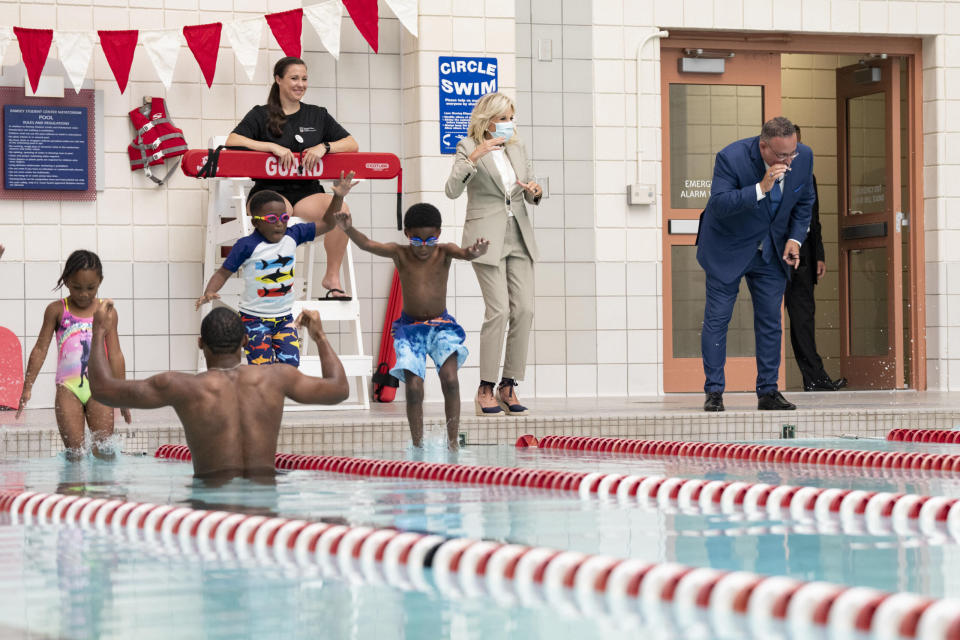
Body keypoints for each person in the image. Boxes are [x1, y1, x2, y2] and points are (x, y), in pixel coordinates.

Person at [89, 304, 349, 478]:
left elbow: (101, 389)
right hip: (265, 508)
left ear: (201, 344)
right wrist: (320, 337)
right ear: (245, 342)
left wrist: (100, 329)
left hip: (212, 511)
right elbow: (339, 389)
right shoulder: (278, 377)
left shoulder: (181, 387)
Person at [334, 203, 489, 450]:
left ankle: (452, 444)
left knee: (450, 380)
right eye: (417, 241)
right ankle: (418, 446)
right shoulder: (400, 253)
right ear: (407, 234)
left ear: (438, 234)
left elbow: (466, 253)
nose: (424, 247)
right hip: (410, 330)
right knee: (414, 388)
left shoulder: (444, 251)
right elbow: (367, 244)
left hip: (441, 327)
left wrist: (476, 252)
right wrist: (349, 229)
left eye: (430, 240)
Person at [696, 116, 814, 412]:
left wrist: (795, 240)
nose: (788, 161)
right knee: (718, 319)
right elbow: (719, 204)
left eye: (792, 153)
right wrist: (761, 187)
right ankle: (714, 391)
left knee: (770, 322)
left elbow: (804, 202)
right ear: (763, 147)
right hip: (728, 248)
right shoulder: (731, 158)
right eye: (781, 155)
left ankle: (768, 391)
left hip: (771, 250)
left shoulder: (804, 157)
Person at [226, 56, 358, 300]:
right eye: (294, 78)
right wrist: (269, 147)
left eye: (304, 79)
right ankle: (274, 282)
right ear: (278, 80)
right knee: (277, 215)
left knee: (342, 211)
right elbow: (232, 141)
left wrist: (325, 147)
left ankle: (332, 277)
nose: (300, 84)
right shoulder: (261, 114)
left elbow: (351, 144)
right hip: (269, 190)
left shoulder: (317, 115)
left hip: (307, 191)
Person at [444, 92, 542, 417]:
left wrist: (536, 190)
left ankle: (508, 385)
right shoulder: (466, 146)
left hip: (518, 235)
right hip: (486, 238)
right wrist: (475, 156)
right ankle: (485, 387)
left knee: (524, 309)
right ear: (487, 121)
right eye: (502, 118)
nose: (508, 125)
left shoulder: (518, 146)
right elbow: (452, 190)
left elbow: (528, 184)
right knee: (498, 311)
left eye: (511, 118)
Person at [196, 171, 358, 366]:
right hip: (254, 320)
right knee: (262, 369)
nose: (280, 223)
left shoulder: (294, 234)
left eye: (283, 218)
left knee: (290, 366)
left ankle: (278, 396)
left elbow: (328, 223)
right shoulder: (246, 245)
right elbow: (223, 272)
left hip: (284, 319)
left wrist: (338, 197)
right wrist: (210, 291)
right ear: (256, 222)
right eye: (272, 219)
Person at [17, 250, 131, 459]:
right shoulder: (57, 310)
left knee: (105, 453)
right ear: (67, 280)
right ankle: (73, 491)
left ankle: (102, 491)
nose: (84, 294)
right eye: (77, 287)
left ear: (100, 282)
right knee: (75, 455)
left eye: (91, 288)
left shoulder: (107, 312)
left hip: (101, 387)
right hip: (68, 390)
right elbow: (40, 349)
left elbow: (115, 354)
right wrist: (27, 387)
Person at [785, 125, 847, 392]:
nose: (792, 154)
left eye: (797, 147)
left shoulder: (808, 175)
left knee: (803, 317)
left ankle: (815, 378)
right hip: (773, 256)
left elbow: (814, 217)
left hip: (804, 256)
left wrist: (818, 254)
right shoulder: (768, 174)